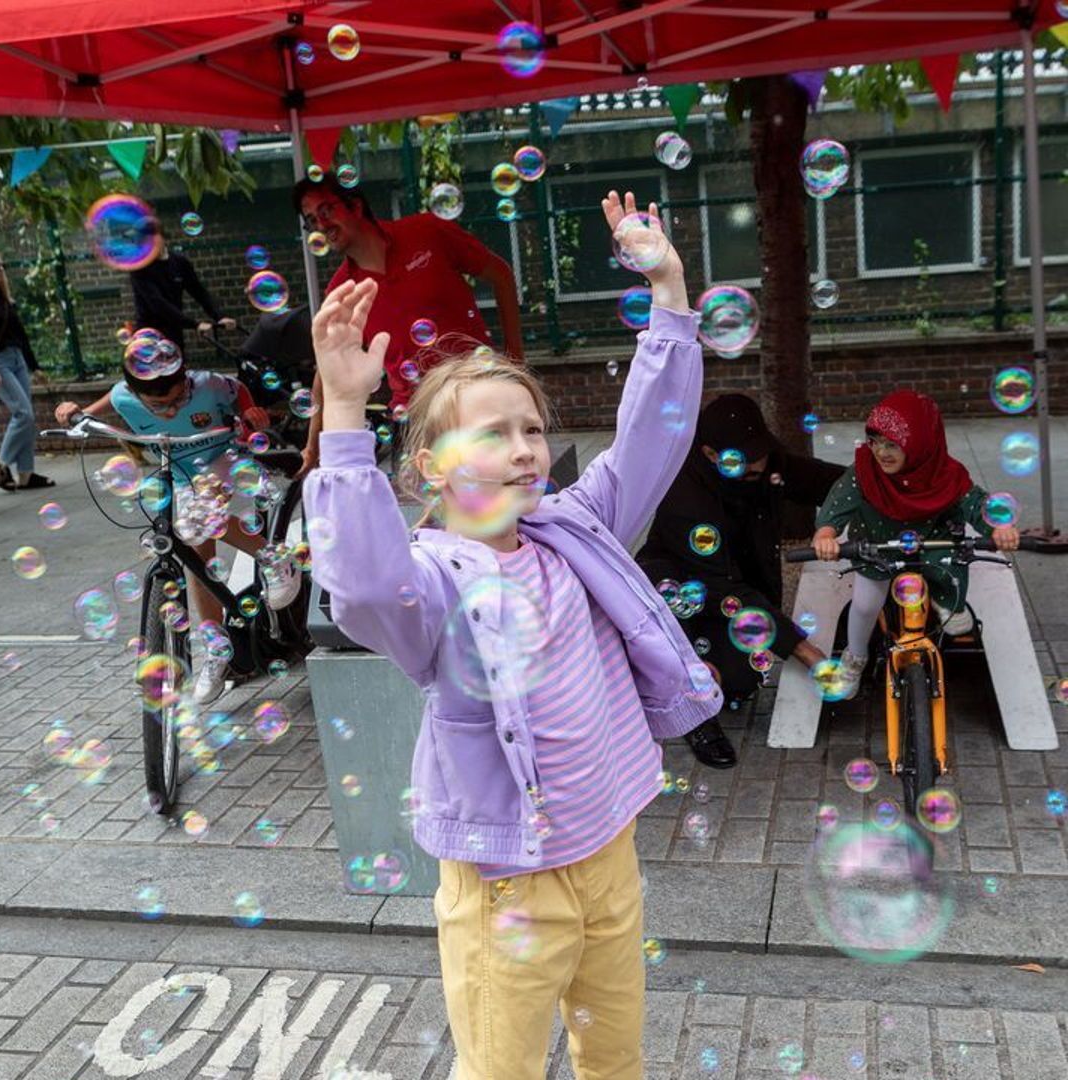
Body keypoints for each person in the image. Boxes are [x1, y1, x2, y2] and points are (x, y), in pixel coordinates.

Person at [304, 192, 722, 1079]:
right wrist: (343, 411)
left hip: (609, 853)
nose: (527, 447)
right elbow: (363, 585)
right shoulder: (431, 582)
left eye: (532, 428)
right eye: (496, 433)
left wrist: (670, 292)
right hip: (507, 888)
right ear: (431, 468)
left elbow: (650, 440)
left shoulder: (578, 529)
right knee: (503, 1069)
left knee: (616, 1056)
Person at [55, 361, 300, 705]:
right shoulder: (124, 395)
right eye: (159, 406)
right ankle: (217, 648)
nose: (170, 411)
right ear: (137, 394)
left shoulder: (208, 384)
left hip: (221, 459)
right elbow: (97, 406)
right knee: (198, 559)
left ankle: (276, 559)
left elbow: (240, 391)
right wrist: (74, 413)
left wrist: (249, 412)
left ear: (186, 382)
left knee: (199, 521)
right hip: (181, 473)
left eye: (178, 400)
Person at [637, 394, 845, 767]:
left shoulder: (762, 461)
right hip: (681, 592)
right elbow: (722, 586)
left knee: (741, 679)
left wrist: (879, 486)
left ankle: (712, 675)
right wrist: (804, 650)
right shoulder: (683, 497)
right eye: (747, 462)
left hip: (733, 590)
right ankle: (695, 717)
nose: (760, 466)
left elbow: (828, 481)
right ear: (709, 454)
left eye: (761, 454)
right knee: (696, 663)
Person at [293, 176, 524, 475]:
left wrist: (516, 360)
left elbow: (501, 275)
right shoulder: (343, 290)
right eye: (312, 220)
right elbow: (327, 368)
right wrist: (312, 447)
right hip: (415, 422)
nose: (321, 225)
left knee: (501, 497)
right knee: (425, 506)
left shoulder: (427, 231)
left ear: (356, 206)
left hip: (479, 397)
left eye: (326, 211)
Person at [813, 388, 1020, 699]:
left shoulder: (946, 473)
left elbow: (975, 503)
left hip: (932, 543)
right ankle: (856, 656)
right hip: (877, 546)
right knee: (866, 603)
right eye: (875, 442)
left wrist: (999, 525)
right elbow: (839, 501)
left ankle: (947, 600)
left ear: (921, 443)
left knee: (949, 571)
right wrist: (826, 534)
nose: (881, 452)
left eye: (893, 444)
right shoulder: (865, 471)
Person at [0, 248, 54, 490]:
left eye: (2, 265)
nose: (1, 269)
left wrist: (35, 366)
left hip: (18, 360)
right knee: (23, 414)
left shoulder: (4, 299)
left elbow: (21, 336)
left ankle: (26, 474)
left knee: (28, 417)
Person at [128, 218, 236, 355]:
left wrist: (219, 316)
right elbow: (157, 303)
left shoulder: (180, 263)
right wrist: (194, 324)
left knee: (177, 365)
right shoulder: (139, 268)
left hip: (174, 332)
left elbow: (199, 292)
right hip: (149, 336)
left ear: (160, 237)